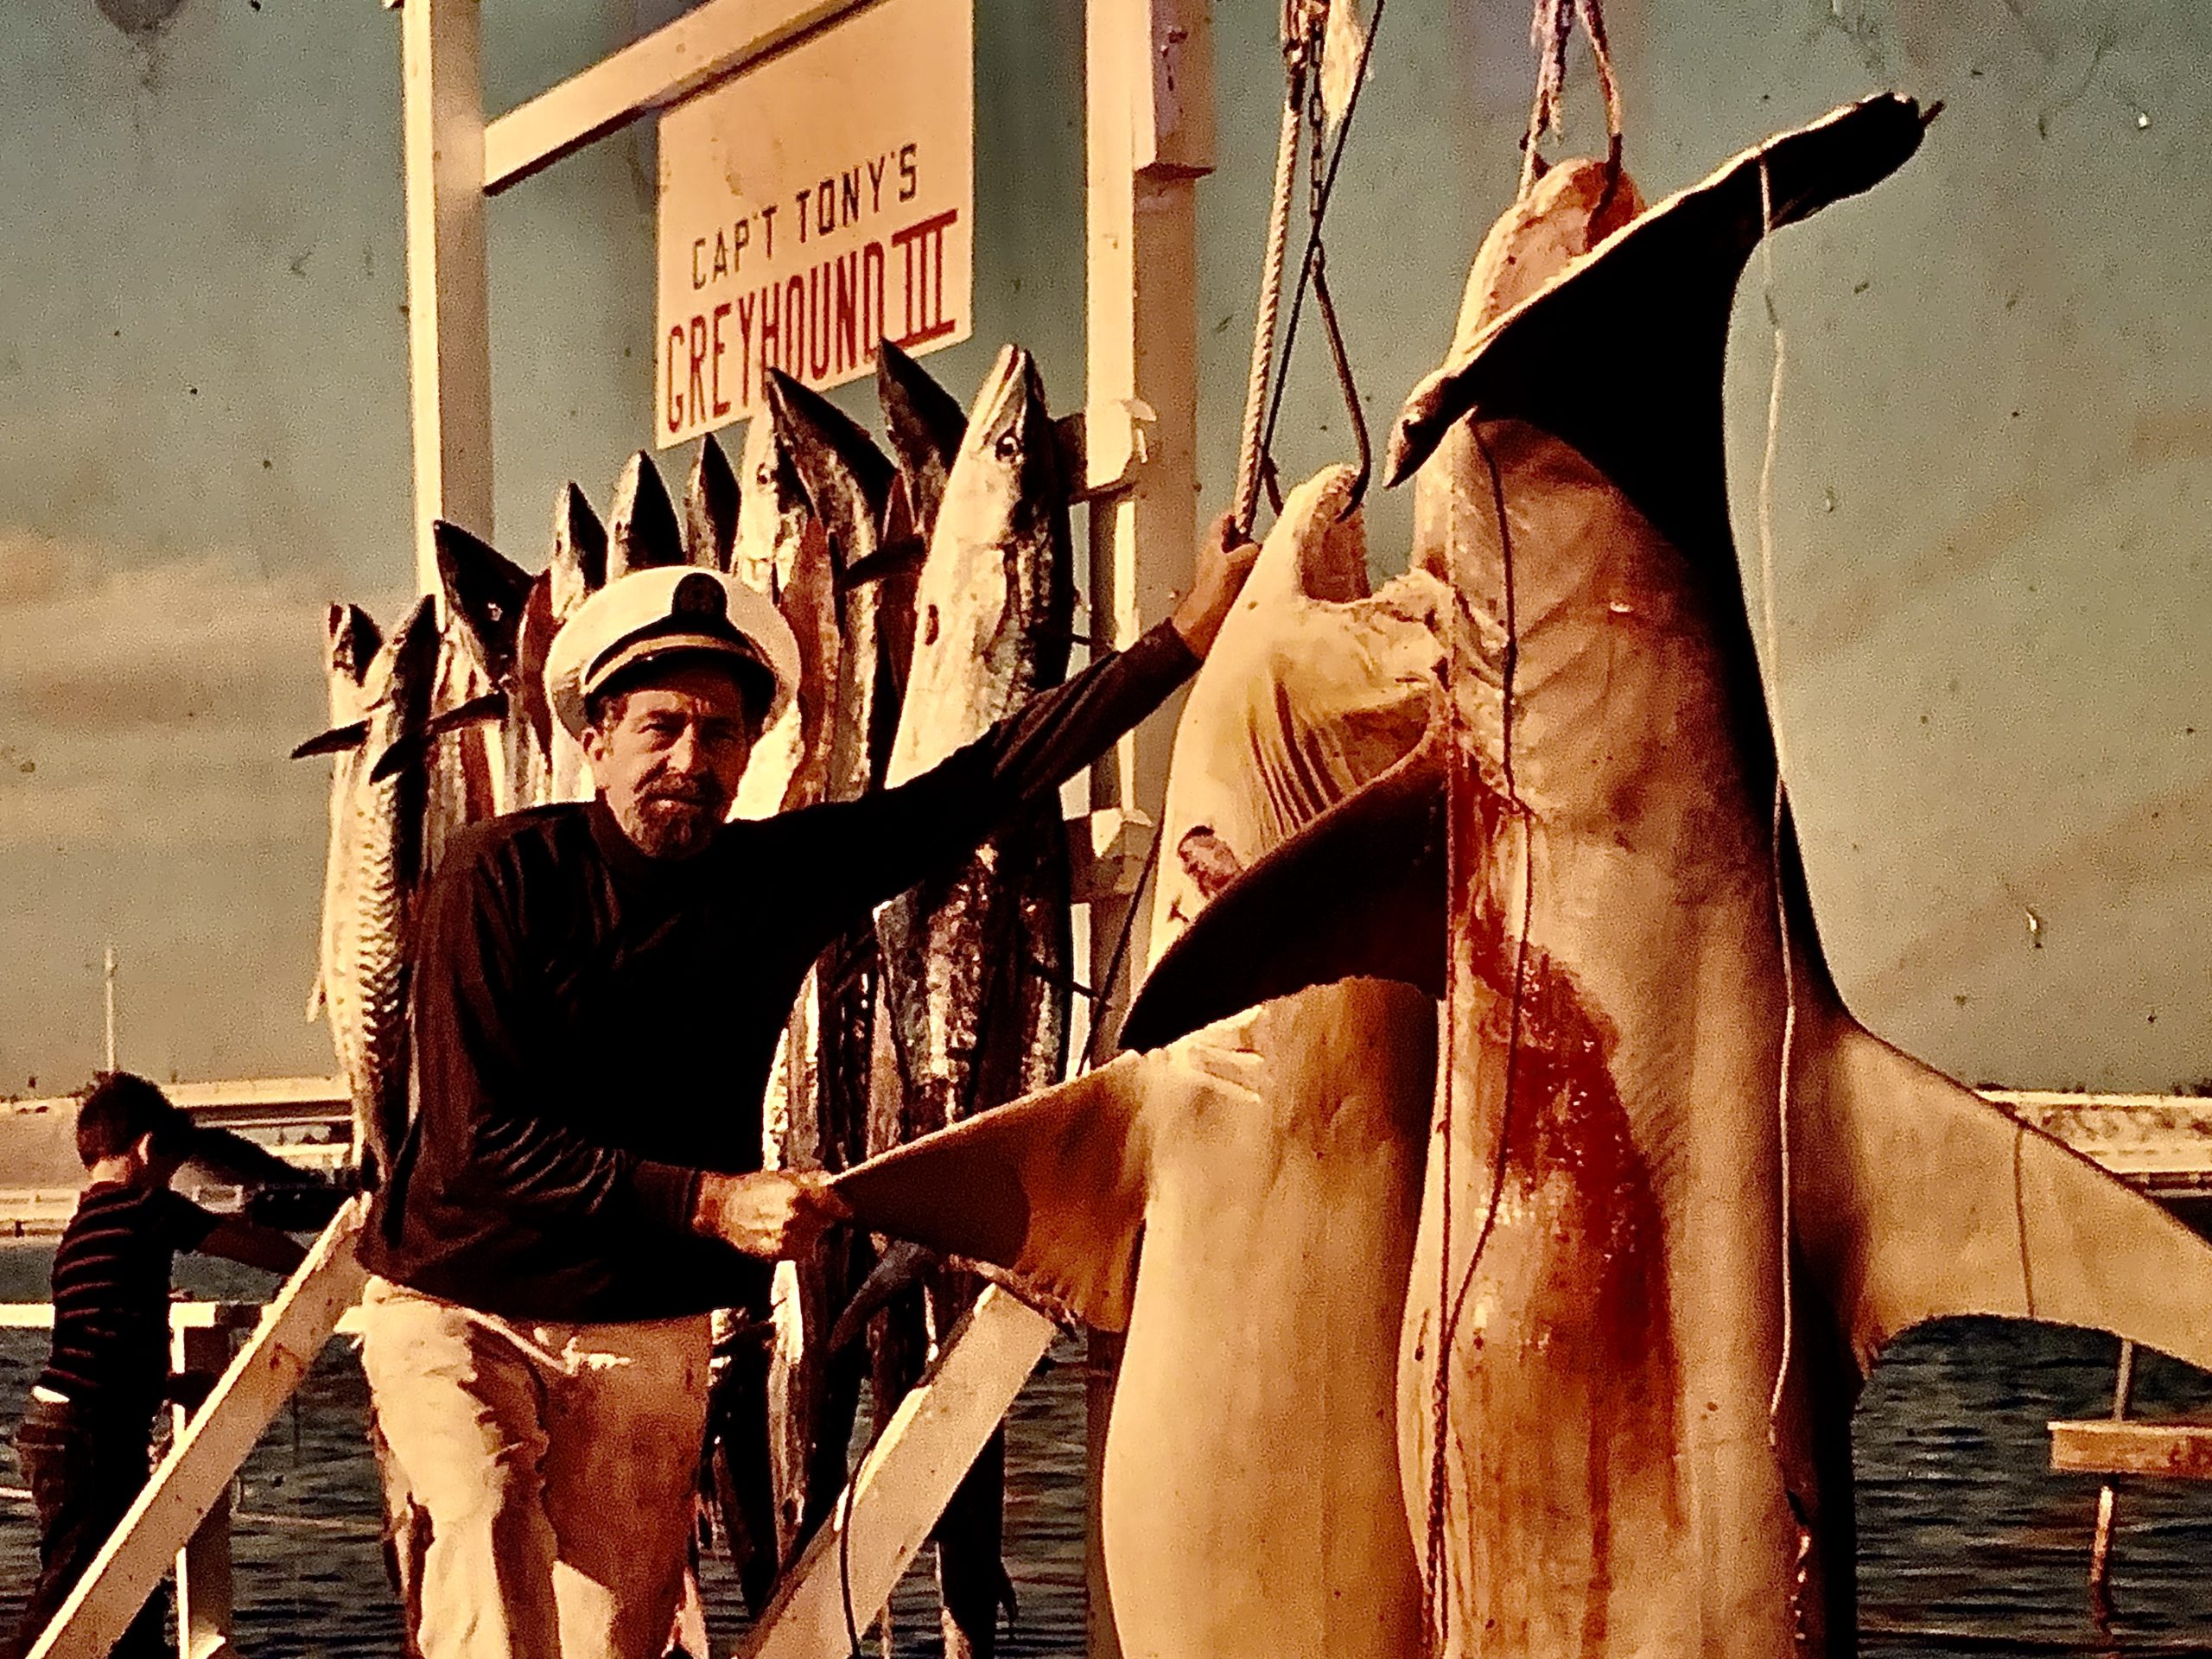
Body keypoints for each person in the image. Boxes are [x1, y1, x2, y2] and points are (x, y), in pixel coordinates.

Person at [354, 511, 1260, 1659]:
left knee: (615, 1642)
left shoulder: (773, 878)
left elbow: (978, 786)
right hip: (459, 1304)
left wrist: (1183, 636)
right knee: (487, 1551)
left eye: (720, 735)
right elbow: (484, 1143)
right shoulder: (498, 876)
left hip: (643, 1327)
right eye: (661, 727)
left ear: (751, 752)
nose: (691, 759)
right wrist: (712, 1201)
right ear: (594, 739)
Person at [5, 1073, 308, 1659]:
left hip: (64, 1426)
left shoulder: (84, 1225)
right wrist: (313, 1265)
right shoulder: (146, 1207)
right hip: (89, 1438)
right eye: (172, 1167)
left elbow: (99, 1341)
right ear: (148, 1150)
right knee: (69, 1604)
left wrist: (169, 1384)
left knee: (131, 1591)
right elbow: (248, 1246)